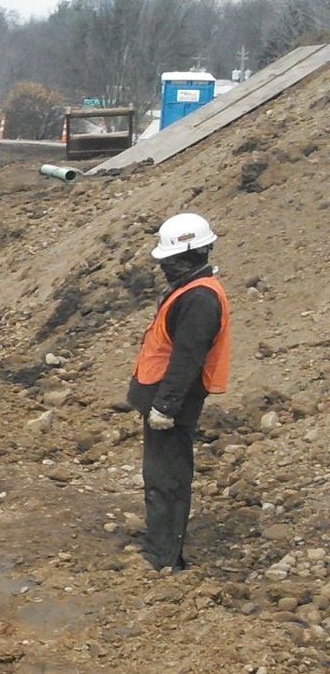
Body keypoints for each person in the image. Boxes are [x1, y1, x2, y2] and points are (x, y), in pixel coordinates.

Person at [127, 212, 230, 571]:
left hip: (172, 404)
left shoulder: (200, 299)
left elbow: (187, 357)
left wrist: (165, 407)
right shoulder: (190, 291)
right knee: (162, 474)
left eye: (170, 261)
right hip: (164, 399)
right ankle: (163, 546)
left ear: (193, 255)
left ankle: (164, 557)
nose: (164, 268)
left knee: (166, 477)